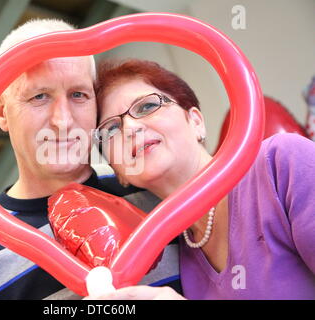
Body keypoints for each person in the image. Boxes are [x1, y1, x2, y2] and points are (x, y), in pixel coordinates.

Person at [0, 20, 181, 300]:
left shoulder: (152, 193)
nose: (63, 121)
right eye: (39, 96)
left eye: (78, 95)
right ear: (2, 113)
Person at [91, 58, 315, 299]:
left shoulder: (281, 162)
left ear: (196, 122)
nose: (130, 128)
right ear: (119, 173)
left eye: (146, 107)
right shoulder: (180, 253)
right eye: (111, 129)